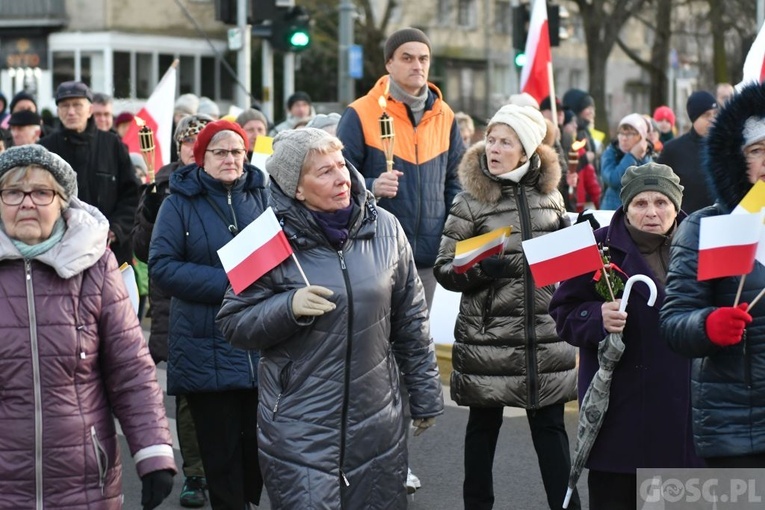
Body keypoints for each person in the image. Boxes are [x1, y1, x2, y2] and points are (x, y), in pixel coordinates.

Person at [216, 128, 444, 509]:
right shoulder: (265, 238)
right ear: (296, 189)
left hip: (377, 423)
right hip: (299, 424)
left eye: (341, 165)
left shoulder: (385, 228)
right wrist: (287, 307)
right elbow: (233, 322)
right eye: (324, 172)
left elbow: (411, 321)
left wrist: (424, 394)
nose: (341, 177)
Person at [0, 144, 176, 508]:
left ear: (62, 200)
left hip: (84, 481)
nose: (27, 203)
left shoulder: (95, 266)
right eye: (13, 192)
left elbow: (131, 371)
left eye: (41, 192)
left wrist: (154, 453)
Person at [336, 26, 464, 492]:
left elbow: (455, 183)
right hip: (371, 251)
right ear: (388, 63)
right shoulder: (361, 114)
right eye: (407, 58)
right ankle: (354, 456)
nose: (417, 66)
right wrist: (371, 184)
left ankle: (396, 460)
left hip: (424, 258)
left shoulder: (445, 115)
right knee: (370, 359)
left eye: (424, 58)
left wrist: (452, 232)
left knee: (409, 356)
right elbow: (335, 180)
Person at [433, 104, 579, 510]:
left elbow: (565, 269)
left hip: (546, 334)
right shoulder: (469, 202)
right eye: (491, 139)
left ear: (527, 149)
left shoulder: (551, 196)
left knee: (551, 429)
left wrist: (575, 239)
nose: (493, 148)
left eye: (505, 141)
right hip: (489, 337)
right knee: (482, 429)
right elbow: (446, 269)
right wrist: (480, 269)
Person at [550, 162, 698, 509]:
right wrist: (595, 315)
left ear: (676, 206)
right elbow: (562, 313)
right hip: (621, 415)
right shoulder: (594, 246)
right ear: (625, 207)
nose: (651, 212)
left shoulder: (699, 245)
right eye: (640, 203)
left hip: (685, 415)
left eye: (661, 203)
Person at [149, 120, 268, 509]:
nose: (230, 159)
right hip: (204, 344)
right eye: (220, 152)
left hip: (257, 347)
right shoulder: (178, 202)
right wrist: (230, 283)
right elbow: (162, 267)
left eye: (237, 151)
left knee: (257, 456)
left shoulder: (263, 197)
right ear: (202, 158)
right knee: (220, 459)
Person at [660, 81, 765, 468]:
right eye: (757, 150)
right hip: (738, 431)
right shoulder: (708, 228)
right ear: (736, 159)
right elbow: (673, 322)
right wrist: (707, 325)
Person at [133, 113, 213, 508]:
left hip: (225, 301)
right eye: (188, 144)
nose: (195, 151)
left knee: (235, 392)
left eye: (203, 144)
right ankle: (196, 474)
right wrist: (148, 211)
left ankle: (230, 468)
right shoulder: (161, 186)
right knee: (189, 395)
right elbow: (143, 250)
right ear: (179, 148)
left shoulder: (235, 182)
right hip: (176, 304)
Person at [39, 80, 140, 266]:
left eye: (77, 105)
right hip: (58, 253)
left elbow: (132, 194)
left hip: (111, 252)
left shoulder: (113, 145)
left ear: (90, 109)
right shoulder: (45, 150)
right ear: (57, 110)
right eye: (64, 105)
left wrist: (116, 229)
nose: (71, 111)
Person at [658, 90, 718, 214]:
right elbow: (659, 189)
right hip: (686, 223)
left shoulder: (727, 146)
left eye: (715, 114)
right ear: (694, 118)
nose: (713, 119)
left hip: (722, 221)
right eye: (706, 115)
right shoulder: (673, 149)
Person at [600, 113, 653, 210]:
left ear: (641, 137)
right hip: (612, 211)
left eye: (630, 134)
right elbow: (613, 179)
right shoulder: (610, 152)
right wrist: (632, 156)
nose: (624, 138)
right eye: (621, 133)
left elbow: (649, 182)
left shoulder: (647, 157)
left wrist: (642, 155)